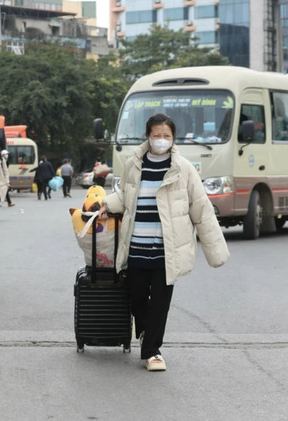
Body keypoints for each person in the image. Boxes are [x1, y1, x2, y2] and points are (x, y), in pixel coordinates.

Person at [97, 113, 229, 371]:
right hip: (136, 246)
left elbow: (201, 208)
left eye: (166, 136)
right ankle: (146, 331)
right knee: (136, 298)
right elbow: (125, 195)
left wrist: (216, 250)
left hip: (167, 250)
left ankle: (152, 351)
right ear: (148, 136)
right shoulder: (133, 164)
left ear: (173, 139)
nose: (161, 140)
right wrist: (106, 205)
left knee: (160, 302)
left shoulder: (183, 169)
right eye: (156, 135)